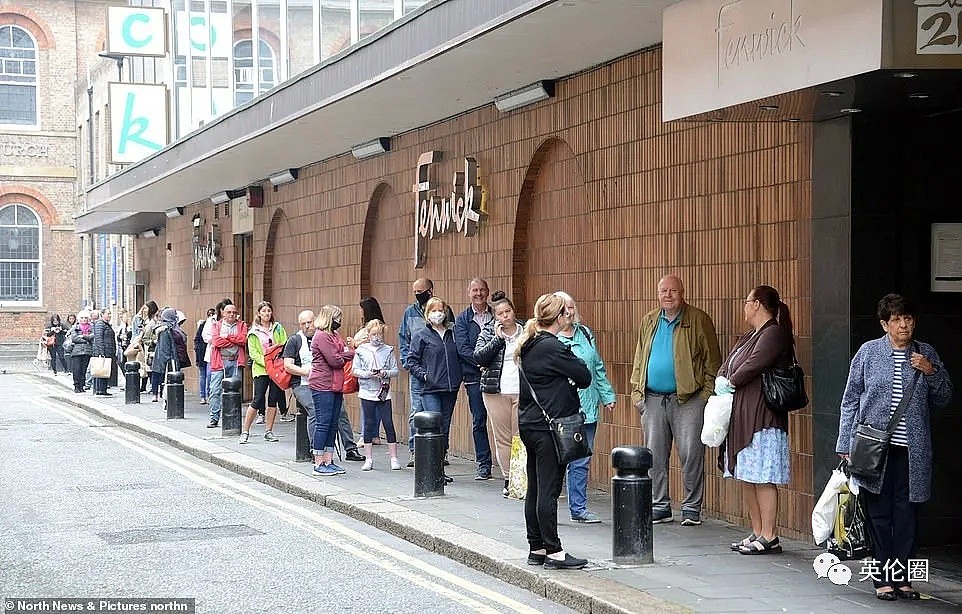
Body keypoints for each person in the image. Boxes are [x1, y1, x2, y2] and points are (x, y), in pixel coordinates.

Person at [836, 294, 952, 600]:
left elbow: (944, 398)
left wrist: (931, 371)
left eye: (908, 319)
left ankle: (903, 579)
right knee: (879, 514)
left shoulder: (926, 353)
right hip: (876, 450)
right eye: (897, 319)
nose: (904, 325)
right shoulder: (868, 353)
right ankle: (881, 579)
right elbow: (850, 400)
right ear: (885, 324)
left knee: (907, 515)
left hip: (912, 452)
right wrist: (845, 444)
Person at [629, 275, 721, 526]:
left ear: (683, 293)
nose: (668, 295)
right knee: (655, 455)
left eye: (673, 291)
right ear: (657, 293)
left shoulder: (698, 319)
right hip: (653, 399)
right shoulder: (649, 320)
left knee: (691, 454)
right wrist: (637, 395)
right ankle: (660, 505)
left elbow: (714, 361)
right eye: (663, 291)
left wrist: (705, 396)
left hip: (689, 400)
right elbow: (639, 358)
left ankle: (691, 508)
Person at [715, 285, 795, 555]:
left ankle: (770, 534)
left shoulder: (774, 333)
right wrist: (723, 377)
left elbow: (754, 364)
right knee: (747, 474)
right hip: (743, 413)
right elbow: (730, 362)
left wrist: (731, 380)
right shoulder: (751, 334)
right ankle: (757, 530)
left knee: (763, 476)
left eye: (747, 300)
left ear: (758, 304)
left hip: (763, 416)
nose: (744, 305)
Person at [516, 293, 591, 570]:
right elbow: (584, 376)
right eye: (565, 314)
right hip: (549, 427)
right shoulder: (552, 346)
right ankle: (554, 551)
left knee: (535, 488)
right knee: (548, 489)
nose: (567, 318)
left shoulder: (530, 343)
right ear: (559, 317)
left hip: (530, 424)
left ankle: (536, 547)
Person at [554, 291, 616, 524]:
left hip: (587, 408)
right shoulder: (549, 338)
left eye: (571, 307)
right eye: (563, 308)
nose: (569, 312)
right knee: (556, 460)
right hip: (561, 410)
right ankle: (547, 506)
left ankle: (578, 508)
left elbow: (597, 367)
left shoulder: (586, 334)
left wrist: (607, 395)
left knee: (581, 459)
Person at [474, 291, 525, 497]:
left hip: (522, 391)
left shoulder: (527, 331)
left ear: (513, 311)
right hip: (496, 391)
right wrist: (497, 339)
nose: (505, 316)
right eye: (500, 313)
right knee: (502, 438)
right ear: (495, 317)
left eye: (508, 311)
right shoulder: (488, 332)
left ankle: (521, 479)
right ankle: (508, 478)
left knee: (520, 437)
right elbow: (479, 357)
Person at [407, 297, 462, 483]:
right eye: (434, 310)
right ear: (427, 313)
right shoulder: (421, 335)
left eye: (441, 310)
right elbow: (411, 360)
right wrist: (424, 375)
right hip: (430, 388)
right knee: (435, 424)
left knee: (445, 427)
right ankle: (431, 468)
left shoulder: (452, 333)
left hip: (450, 387)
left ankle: (439, 466)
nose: (438, 313)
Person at [454, 278, 495, 480]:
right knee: (479, 420)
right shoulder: (463, 319)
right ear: (468, 293)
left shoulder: (496, 315)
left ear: (487, 292)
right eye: (474, 290)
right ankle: (484, 464)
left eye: (482, 290)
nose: (478, 294)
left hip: (498, 377)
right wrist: (481, 362)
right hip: (474, 377)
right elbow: (462, 349)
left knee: (503, 422)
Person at [309, 305, 354, 476]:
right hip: (323, 385)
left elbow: (340, 354)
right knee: (323, 423)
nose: (340, 322)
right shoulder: (321, 336)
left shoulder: (334, 335)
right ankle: (318, 462)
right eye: (337, 318)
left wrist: (344, 354)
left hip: (335, 384)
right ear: (329, 318)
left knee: (333, 423)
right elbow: (335, 360)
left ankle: (329, 459)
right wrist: (349, 354)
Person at [352, 319, 401, 471]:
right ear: (368, 334)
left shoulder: (388, 350)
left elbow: (395, 370)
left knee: (388, 423)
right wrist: (367, 374)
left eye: (379, 334)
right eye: (374, 334)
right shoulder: (361, 351)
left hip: (383, 392)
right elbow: (355, 370)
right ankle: (368, 458)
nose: (377, 337)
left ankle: (394, 458)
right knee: (368, 423)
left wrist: (385, 373)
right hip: (367, 392)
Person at [240, 301, 288, 444]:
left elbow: (283, 345)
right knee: (258, 399)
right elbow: (253, 354)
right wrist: (267, 363)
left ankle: (269, 431)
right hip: (261, 369)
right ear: (259, 314)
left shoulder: (278, 328)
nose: (267, 314)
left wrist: (276, 363)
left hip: (276, 369)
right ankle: (245, 431)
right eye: (264, 311)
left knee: (273, 399)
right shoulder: (253, 332)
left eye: (269, 311)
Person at [398, 277, 434, 466]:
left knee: (438, 412)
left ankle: (439, 450)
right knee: (416, 410)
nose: (418, 295)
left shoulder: (441, 309)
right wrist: (407, 362)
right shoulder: (409, 313)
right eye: (415, 292)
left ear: (430, 291)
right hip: (416, 369)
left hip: (437, 371)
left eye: (421, 291)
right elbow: (403, 338)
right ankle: (414, 450)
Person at [207, 301, 248, 427]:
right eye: (229, 312)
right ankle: (214, 418)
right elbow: (216, 342)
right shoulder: (216, 325)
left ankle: (231, 417)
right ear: (223, 313)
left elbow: (243, 340)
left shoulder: (242, 325)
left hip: (236, 361)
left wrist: (227, 337)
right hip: (220, 362)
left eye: (234, 312)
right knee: (215, 390)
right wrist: (234, 341)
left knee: (234, 390)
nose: (232, 314)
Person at [284, 309, 318, 436]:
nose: (307, 326)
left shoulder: (321, 337)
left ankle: (348, 448)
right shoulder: (294, 340)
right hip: (301, 384)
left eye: (309, 322)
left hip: (321, 382)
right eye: (303, 323)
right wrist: (305, 372)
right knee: (314, 410)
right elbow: (287, 366)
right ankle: (316, 449)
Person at [357, 296, 386, 443]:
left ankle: (366, 435)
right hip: (377, 367)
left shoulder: (372, 327)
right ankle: (374, 434)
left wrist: (354, 343)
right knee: (377, 402)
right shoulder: (378, 325)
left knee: (368, 403)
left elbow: (364, 344)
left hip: (369, 368)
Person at [151, 308, 190, 405]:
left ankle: (169, 401)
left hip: (173, 359)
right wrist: (168, 362)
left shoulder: (172, 328)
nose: (176, 316)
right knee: (169, 381)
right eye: (174, 314)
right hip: (170, 360)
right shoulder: (165, 330)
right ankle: (167, 402)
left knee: (170, 381)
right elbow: (165, 349)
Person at [91, 308, 117, 396]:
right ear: (102, 314)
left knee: (104, 370)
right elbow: (98, 339)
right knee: (100, 370)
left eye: (110, 313)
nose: (109, 315)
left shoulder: (106, 324)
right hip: (102, 351)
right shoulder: (100, 324)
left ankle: (103, 389)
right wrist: (101, 352)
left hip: (108, 351)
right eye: (108, 313)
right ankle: (99, 390)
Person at [69, 311, 94, 394]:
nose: (84, 319)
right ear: (79, 319)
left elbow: (93, 336)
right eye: (82, 318)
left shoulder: (91, 327)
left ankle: (82, 386)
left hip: (87, 351)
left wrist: (83, 336)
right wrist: (86, 339)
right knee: (76, 369)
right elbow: (74, 338)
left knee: (84, 370)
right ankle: (76, 386)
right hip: (76, 351)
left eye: (86, 318)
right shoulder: (75, 327)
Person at [195, 308, 215, 405]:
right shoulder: (203, 325)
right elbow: (197, 340)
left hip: (208, 353)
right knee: (204, 375)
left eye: (212, 314)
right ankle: (203, 396)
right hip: (203, 353)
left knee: (209, 376)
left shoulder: (212, 324)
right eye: (209, 314)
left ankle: (208, 395)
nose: (211, 316)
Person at [62, 313, 77, 379]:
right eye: (70, 319)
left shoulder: (76, 325)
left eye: (73, 319)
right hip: (68, 342)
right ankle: (68, 369)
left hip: (74, 342)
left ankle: (72, 369)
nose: (71, 320)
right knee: (68, 356)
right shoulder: (65, 325)